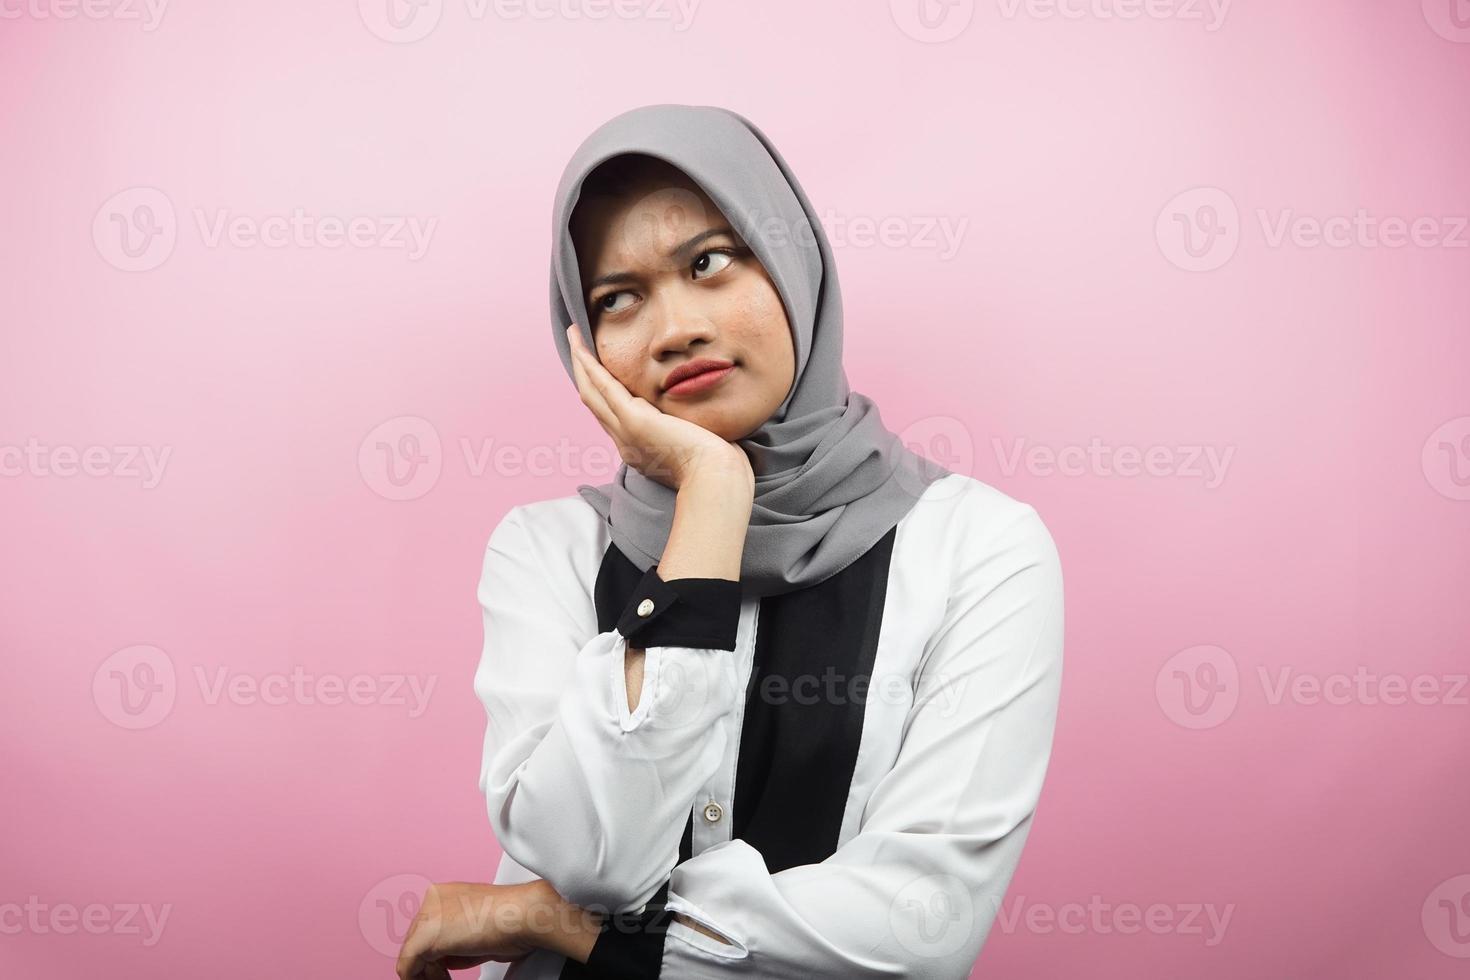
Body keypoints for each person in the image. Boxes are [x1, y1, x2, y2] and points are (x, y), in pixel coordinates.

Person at [395, 103, 1065, 980]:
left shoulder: (978, 549)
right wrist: (710, 499)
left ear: (794, 266)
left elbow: (922, 924)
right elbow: (595, 855)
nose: (674, 329)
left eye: (709, 261)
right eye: (617, 299)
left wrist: (568, 926)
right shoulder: (547, 551)